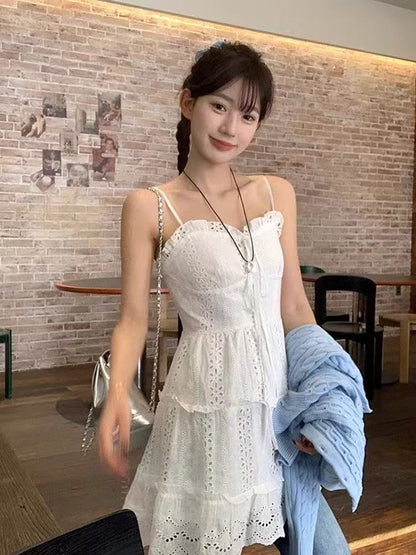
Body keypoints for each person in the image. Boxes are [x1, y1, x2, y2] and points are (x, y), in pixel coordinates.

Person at [98, 40, 348, 554]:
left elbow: (294, 308)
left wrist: (321, 394)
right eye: (219, 105)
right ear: (188, 103)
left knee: (325, 547)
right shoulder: (149, 207)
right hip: (208, 411)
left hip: (279, 410)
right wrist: (118, 391)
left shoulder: (276, 193)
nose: (231, 127)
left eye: (248, 116)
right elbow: (132, 319)